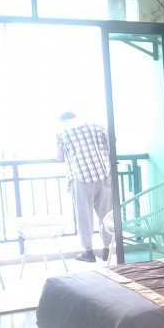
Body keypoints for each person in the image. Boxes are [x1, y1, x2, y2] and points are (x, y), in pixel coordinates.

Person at [55, 111, 113, 262]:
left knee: (84, 215)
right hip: (104, 174)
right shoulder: (96, 126)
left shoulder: (63, 131)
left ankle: (88, 252)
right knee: (106, 213)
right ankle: (107, 249)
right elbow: (111, 142)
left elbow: (59, 157)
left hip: (81, 177)